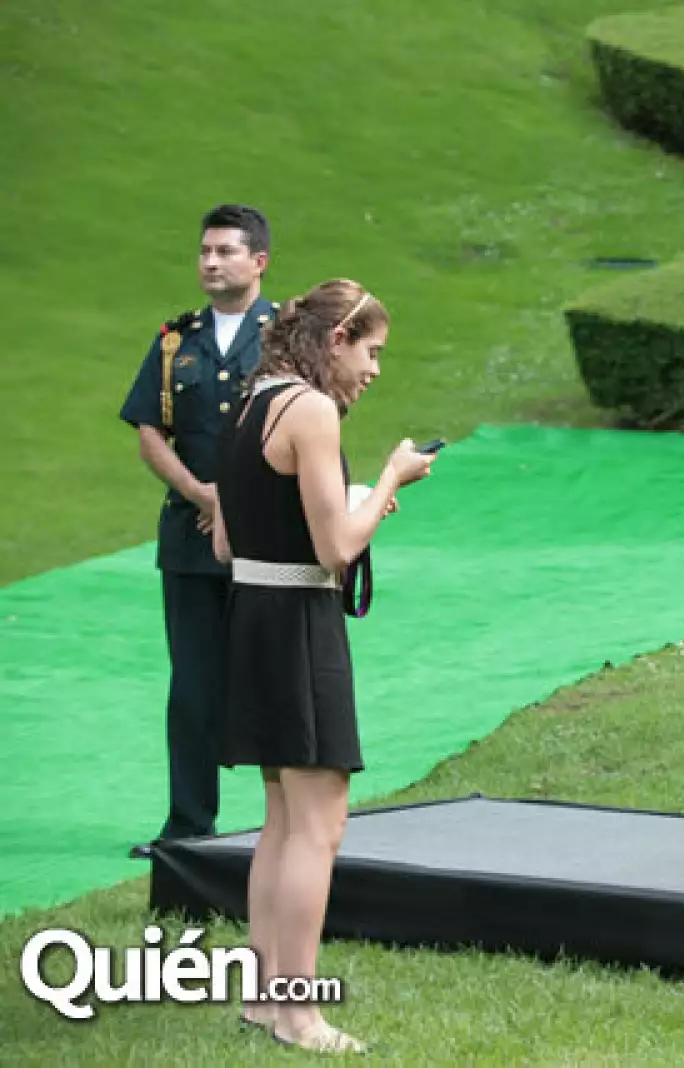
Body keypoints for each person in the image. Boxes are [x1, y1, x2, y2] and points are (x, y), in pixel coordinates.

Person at [211, 280, 433, 1049]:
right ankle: (298, 1014)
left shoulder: (249, 403)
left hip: (252, 617)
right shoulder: (309, 409)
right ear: (336, 338)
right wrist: (390, 482)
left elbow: (228, 540)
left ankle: (263, 1000)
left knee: (281, 821)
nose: (373, 370)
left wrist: (352, 502)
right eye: (370, 352)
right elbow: (337, 549)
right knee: (318, 825)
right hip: (298, 625)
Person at [120, 204, 277, 857]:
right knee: (191, 685)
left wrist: (239, 499)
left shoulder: (286, 336)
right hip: (188, 537)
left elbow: (313, 422)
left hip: (267, 537)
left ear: (259, 261)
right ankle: (188, 826)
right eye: (205, 251)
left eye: (226, 252)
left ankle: (288, 828)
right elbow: (148, 429)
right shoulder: (174, 339)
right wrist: (196, 491)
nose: (210, 262)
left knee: (275, 681)